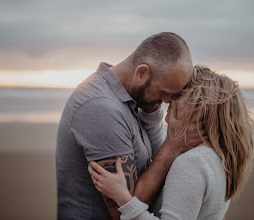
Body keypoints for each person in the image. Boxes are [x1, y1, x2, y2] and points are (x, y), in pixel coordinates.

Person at [56, 32, 203, 219]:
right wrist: (173, 146)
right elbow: (122, 211)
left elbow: (152, 163)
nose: (167, 101)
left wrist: (154, 115)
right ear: (141, 73)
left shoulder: (131, 100)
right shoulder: (101, 108)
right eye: (164, 93)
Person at [88, 65, 254, 219]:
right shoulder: (215, 156)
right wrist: (151, 103)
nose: (169, 99)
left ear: (199, 108)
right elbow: (163, 146)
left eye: (179, 95)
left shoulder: (192, 164)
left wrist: (123, 198)